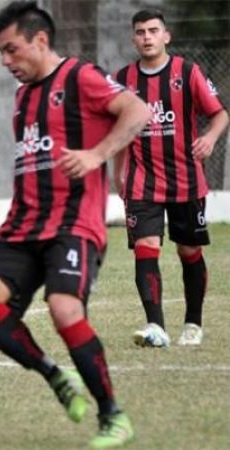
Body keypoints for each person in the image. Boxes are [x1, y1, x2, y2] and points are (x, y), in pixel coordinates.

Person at [0, 2, 150, 448]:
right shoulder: (23, 95)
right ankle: (55, 375)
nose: (6, 61)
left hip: (73, 225)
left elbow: (138, 111)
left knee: (66, 308)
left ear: (40, 41)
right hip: (22, 226)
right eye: (1, 53)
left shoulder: (80, 77)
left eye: (12, 50)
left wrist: (96, 155)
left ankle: (113, 416)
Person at [113, 9, 229, 348]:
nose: (146, 37)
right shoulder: (122, 80)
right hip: (141, 180)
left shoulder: (188, 72)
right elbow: (119, 128)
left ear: (167, 35)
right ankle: (156, 327)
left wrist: (209, 138)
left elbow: (220, 113)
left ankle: (193, 323)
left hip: (186, 180)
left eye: (153, 30)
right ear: (133, 39)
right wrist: (118, 171)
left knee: (188, 250)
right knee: (146, 249)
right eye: (140, 32)